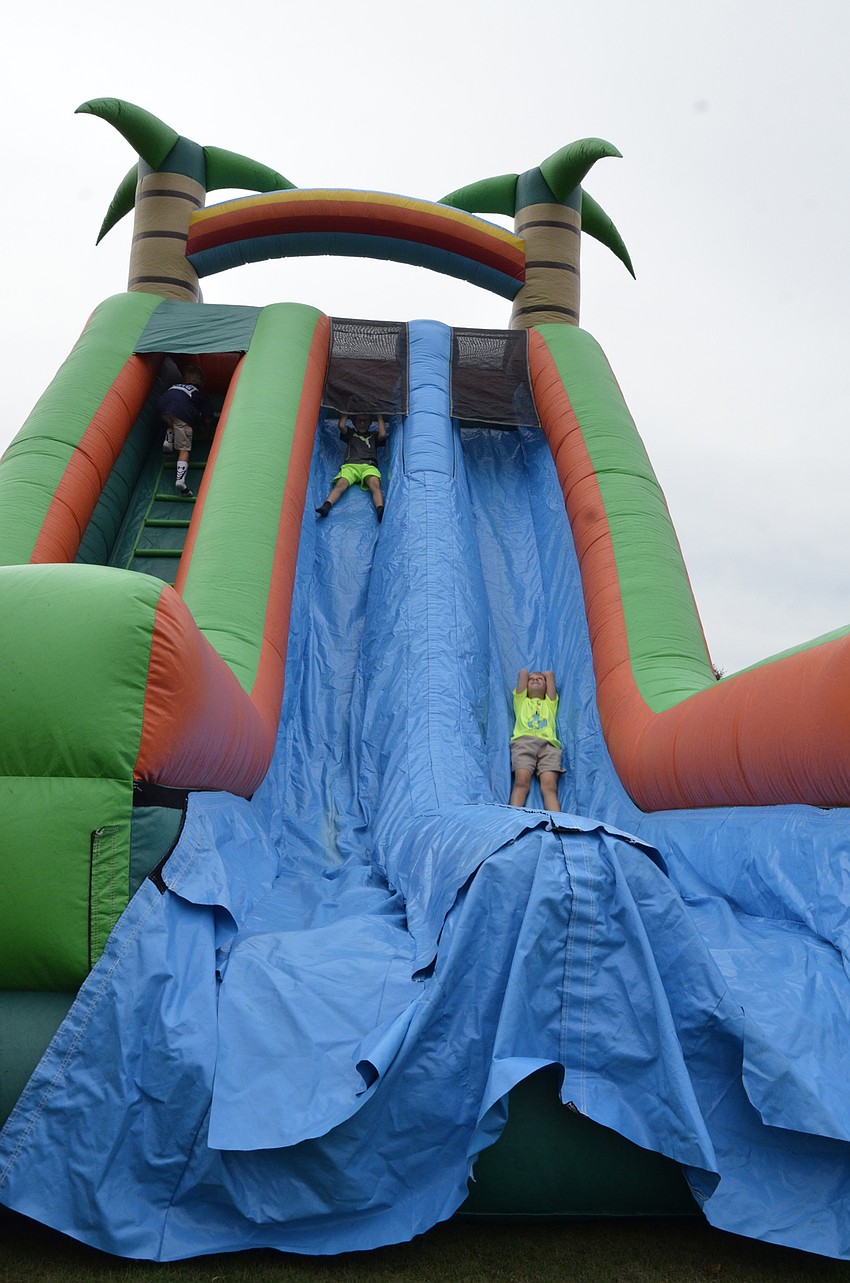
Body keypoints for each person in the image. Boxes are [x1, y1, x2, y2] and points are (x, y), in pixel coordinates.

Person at [316, 413, 388, 521]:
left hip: (369, 465)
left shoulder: (373, 435)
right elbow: (341, 425)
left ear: (370, 422)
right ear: (353, 422)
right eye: (359, 421)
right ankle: (326, 505)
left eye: (365, 421)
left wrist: (379, 416)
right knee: (341, 483)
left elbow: (382, 434)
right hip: (351, 465)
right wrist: (346, 411)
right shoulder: (351, 434)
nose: (362, 424)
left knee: (375, 483)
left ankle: (380, 509)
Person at [509, 668, 563, 811]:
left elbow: (550, 674)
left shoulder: (550, 703)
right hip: (524, 743)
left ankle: (556, 820)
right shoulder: (521, 701)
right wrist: (533, 676)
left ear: (546, 687)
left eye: (539, 679)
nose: (535, 680)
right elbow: (522, 673)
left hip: (549, 746)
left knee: (550, 786)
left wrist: (544, 676)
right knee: (521, 782)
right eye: (531, 679)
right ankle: (513, 817)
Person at [157, 364, 215, 496]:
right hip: (182, 412)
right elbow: (207, 416)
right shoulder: (199, 391)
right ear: (201, 381)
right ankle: (180, 481)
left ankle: (168, 440)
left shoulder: (177, 386)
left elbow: (172, 402)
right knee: (184, 449)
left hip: (163, 407)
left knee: (173, 421)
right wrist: (207, 428)